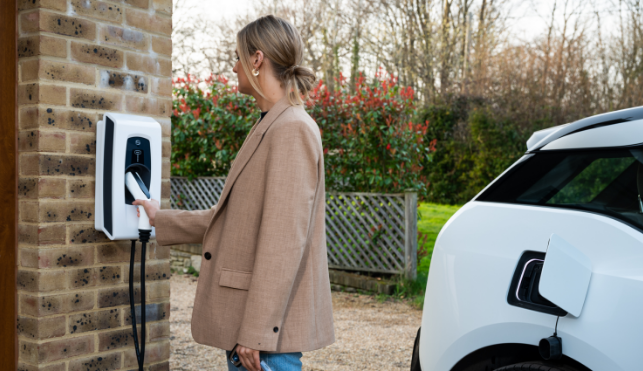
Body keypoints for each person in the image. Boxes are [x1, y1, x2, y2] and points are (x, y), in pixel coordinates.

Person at [133, 14, 335, 371]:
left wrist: (257, 332)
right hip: (257, 335)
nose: (233, 65)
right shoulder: (270, 124)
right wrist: (158, 217)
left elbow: (285, 241)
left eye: (238, 55)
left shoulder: (290, 129)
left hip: (266, 342)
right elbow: (230, 217)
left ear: (257, 59)